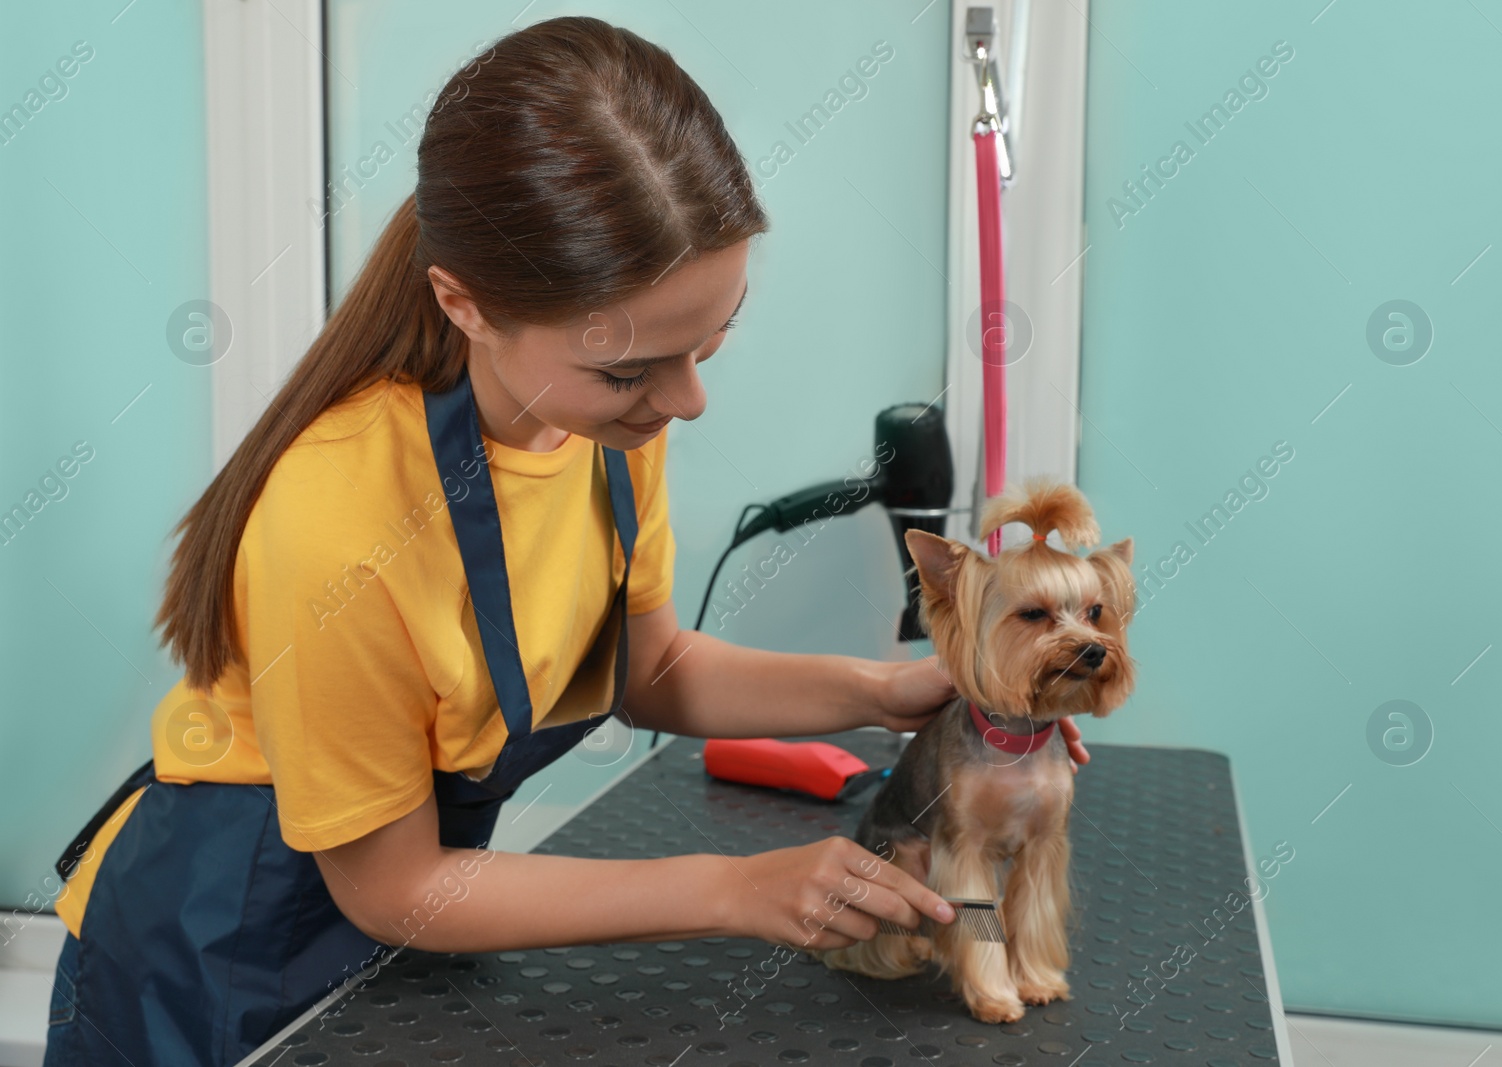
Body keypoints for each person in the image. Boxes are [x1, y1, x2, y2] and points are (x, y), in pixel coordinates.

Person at [41, 15, 1090, 1067]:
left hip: (412, 940)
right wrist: (734, 886)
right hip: (217, 956)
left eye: (709, 341)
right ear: (465, 303)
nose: (687, 401)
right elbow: (395, 884)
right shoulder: (340, 524)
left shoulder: (598, 426)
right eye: (632, 370)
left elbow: (650, 669)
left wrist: (887, 690)